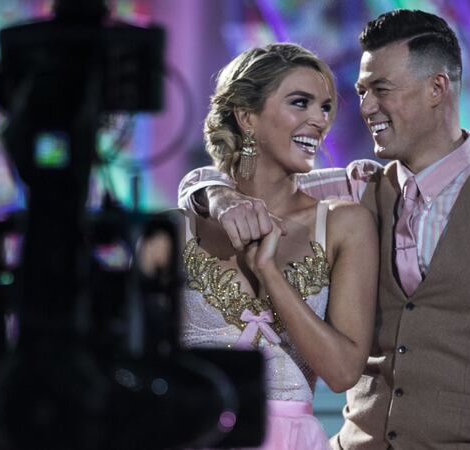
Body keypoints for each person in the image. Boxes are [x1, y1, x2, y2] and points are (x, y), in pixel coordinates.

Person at [178, 9, 470, 450]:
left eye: (381, 90)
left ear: (437, 89)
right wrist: (211, 192)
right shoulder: (359, 187)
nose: (364, 108)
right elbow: (250, 181)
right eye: (362, 91)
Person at [175, 43, 378, 449]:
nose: (318, 121)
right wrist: (212, 194)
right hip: (187, 434)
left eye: (324, 108)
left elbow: (341, 374)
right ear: (247, 117)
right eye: (300, 103)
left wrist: (269, 271)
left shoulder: (343, 223)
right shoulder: (183, 225)